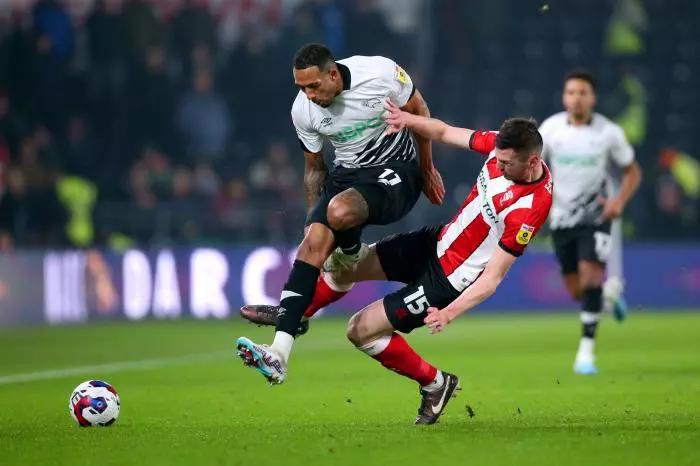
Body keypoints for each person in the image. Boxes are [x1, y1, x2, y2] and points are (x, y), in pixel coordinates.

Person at [238, 105, 553, 427]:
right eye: (497, 159)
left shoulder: (529, 210)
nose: (498, 166)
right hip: (435, 243)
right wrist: (407, 119)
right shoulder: (500, 145)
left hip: (447, 280)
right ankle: (294, 316)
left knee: (359, 330)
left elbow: (492, 279)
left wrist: (448, 313)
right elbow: (443, 131)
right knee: (343, 268)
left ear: (531, 161)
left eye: (505, 163)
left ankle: (436, 384)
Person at [235, 43, 445, 383]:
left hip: (397, 171)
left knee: (339, 210)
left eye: (314, 86)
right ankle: (278, 354)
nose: (309, 94)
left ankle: (349, 252)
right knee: (311, 245)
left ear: (333, 74)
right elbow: (315, 169)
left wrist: (426, 169)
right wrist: (311, 222)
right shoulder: (303, 110)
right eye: (301, 87)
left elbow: (419, 108)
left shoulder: (378, 73)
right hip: (348, 177)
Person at [539, 70, 641, 375]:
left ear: (593, 98)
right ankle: (608, 295)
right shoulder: (551, 129)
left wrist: (618, 201)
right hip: (561, 217)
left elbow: (632, 171)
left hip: (596, 216)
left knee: (590, 275)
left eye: (583, 92)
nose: (576, 98)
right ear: (564, 97)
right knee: (576, 289)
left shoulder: (609, 132)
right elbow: (536, 166)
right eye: (571, 92)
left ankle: (586, 354)